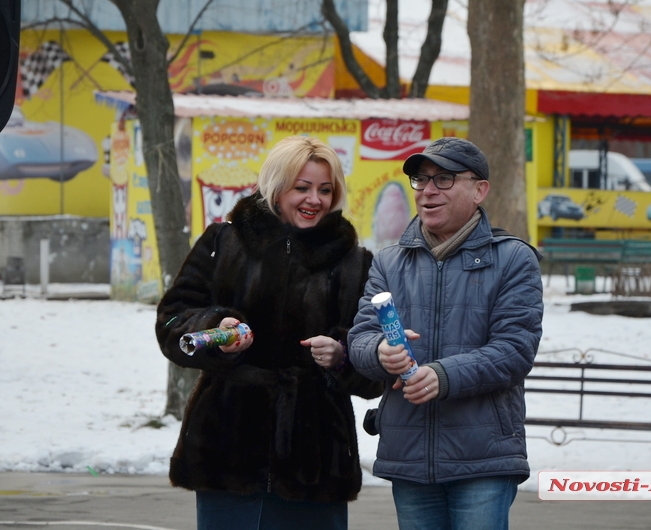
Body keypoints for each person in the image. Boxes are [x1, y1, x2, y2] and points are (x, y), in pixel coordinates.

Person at [156, 136, 383, 530]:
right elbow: (173, 321)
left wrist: (342, 354)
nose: (315, 199)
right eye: (303, 187)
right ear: (276, 188)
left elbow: (374, 361)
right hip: (227, 446)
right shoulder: (223, 243)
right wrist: (215, 327)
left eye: (325, 190)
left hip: (315, 456)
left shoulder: (354, 263)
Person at [348, 137, 544, 530]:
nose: (429, 190)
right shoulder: (389, 261)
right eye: (421, 180)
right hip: (409, 455)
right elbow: (360, 339)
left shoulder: (513, 259)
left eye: (445, 179)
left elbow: (515, 350)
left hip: (484, 457)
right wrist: (380, 352)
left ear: (479, 190)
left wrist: (443, 375)